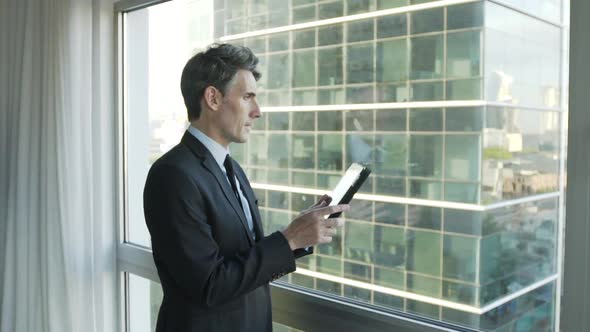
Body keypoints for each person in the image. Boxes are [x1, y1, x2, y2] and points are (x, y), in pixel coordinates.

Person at [143, 43, 349, 332]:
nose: (258, 111)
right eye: (248, 97)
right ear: (213, 98)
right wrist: (287, 239)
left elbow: (244, 257)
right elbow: (210, 285)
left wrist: (300, 234)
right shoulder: (172, 175)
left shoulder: (232, 169)